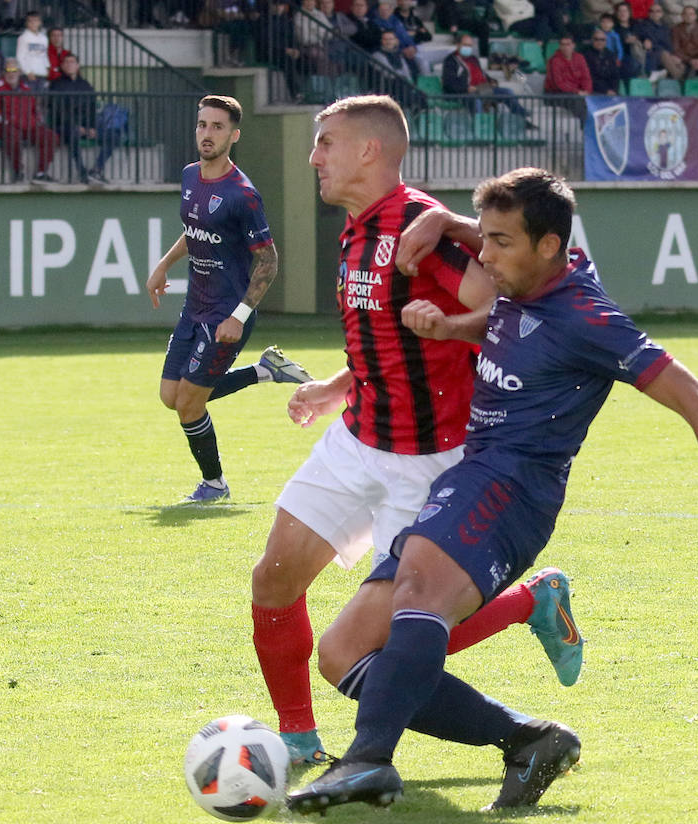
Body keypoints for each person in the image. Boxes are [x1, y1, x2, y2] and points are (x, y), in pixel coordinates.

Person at [287, 166, 698, 814]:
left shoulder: (588, 317)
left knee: (417, 593)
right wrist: (452, 312)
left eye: (499, 242)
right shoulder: (528, 270)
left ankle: (369, 761)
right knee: (344, 652)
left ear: (550, 248)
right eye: (483, 238)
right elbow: (507, 328)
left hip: (514, 490)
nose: (483, 254)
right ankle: (529, 740)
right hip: (471, 474)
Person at [248, 96, 586, 769]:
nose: (313, 156)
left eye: (325, 143)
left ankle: (528, 602)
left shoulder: (415, 229)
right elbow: (391, 340)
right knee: (273, 580)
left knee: (396, 640)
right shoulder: (355, 228)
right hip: (357, 438)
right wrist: (336, 386)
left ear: (369, 151)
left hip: (436, 462)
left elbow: (499, 311)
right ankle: (298, 740)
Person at [144, 95, 310, 504]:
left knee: (188, 405)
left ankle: (215, 485)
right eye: (202, 125)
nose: (207, 133)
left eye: (217, 127)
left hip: (227, 314)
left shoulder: (243, 195)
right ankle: (265, 371)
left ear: (233, 136)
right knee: (172, 396)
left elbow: (268, 262)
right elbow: (195, 228)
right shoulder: (189, 177)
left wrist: (239, 315)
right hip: (194, 308)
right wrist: (163, 264)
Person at [48, 53, 116, 183]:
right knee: (73, 134)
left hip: (85, 127)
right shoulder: (56, 85)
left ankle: (96, 169)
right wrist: (77, 127)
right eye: (66, 62)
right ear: (62, 66)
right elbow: (58, 111)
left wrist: (92, 127)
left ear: (77, 65)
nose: (69, 65)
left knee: (113, 135)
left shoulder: (85, 85)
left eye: (72, 62)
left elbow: (91, 108)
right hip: (64, 126)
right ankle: (82, 172)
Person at [0, 57, 56, 182]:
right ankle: (18, 172)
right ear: (4, 72)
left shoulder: (26, 88)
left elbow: (36, 109)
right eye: (8, 69)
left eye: (14, 70)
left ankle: (41, 172)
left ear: (19, 72)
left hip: (29, 125)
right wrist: (7, 121)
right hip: (8, 125)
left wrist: (38, 121)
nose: (11, 73)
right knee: (12, 136)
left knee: (50, 137)